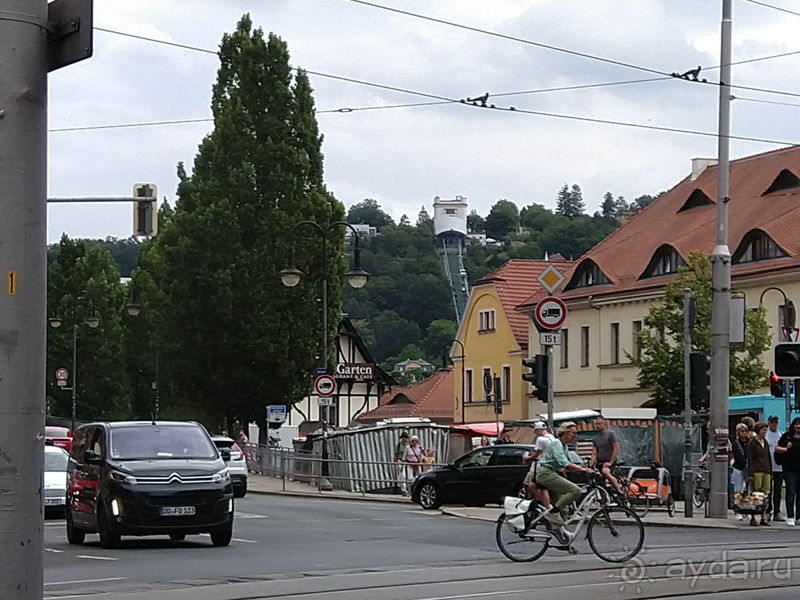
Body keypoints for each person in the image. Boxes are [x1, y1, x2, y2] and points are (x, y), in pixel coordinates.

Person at [534, 421, 593, 527]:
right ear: (565, 433)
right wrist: (582, 470)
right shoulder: (557, 443)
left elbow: (570, 462)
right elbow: (563, 462)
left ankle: (561, 537)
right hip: (546, 473)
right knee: (575, 491)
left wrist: (587, 469)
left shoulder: (564, 446)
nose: (575, 436)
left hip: (553, 473)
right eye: (573, 433)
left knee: (564, 509)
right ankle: (552, 513)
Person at [774, 417, 800, 527]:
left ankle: (799, 516)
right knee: (791, 492)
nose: (798, 426)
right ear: (793, 426)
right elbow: (776, 448)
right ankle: (790, 516)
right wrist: (786, 448)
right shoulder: (787, 436)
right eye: (796, 424)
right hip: (789, 469)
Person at [522, 422, 555, 505]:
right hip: (550, 466)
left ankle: (543, 502)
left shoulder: (541, 439)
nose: (534, 432)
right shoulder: (552, 438)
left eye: (535, 430)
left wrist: (526, 458)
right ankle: (543, 502)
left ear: (538, 430)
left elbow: (536, 454)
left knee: (527, 485)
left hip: (538, 466)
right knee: (543, 488)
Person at [746, 422, 772, 526]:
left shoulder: (765, 441)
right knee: (755, 494)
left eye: (766, 430)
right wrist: (751, 473)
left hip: (765, 470)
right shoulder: (752, 443)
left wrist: (770, 471)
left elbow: (768, 457)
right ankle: (753, 517)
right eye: (763, 430)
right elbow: (750, 458)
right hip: (756, 470)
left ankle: (763, 516)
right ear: (758, 430)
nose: (765, 432)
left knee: (765, 494)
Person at [591, 417, 623, 495]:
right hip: (599, 463)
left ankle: (619, 491)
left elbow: (615, 448)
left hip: (608, 462)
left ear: (604, 424)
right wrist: (591, 464)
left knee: (605, 472)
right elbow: (594, 453)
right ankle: (604, 499)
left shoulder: (610, 434)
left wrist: (611, 462)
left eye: (599, 424)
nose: (597, 426)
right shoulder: (595, 438)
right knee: (598, 481)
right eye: (596, 424)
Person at [765, 415, 784, 522]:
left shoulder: (781, 434)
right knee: (768, 491)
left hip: (779, 467)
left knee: (778, 491)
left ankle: (777, 512)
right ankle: (768, 510)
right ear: (769, 423)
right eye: (772, 422)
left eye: (776, 422)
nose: (774, 424)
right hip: (768, 467)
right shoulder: (766, 435)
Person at [731, 423, 750, 509]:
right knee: (738, 489)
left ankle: (746, 507)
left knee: (747, 489)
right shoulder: (735, 442)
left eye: (745, 431)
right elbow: (736, 455)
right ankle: (737, 508)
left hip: (748, 468)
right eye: (742, 431)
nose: (744, 432)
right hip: (738, 467)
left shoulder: (750, 442)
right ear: (738, 432)